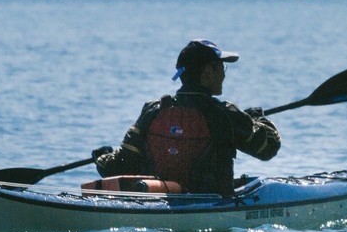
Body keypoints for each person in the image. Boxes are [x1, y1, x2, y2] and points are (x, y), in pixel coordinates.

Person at [94, 39, 282, 194]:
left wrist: (102, 158)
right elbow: (268, 148)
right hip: (211, 209)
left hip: (157, 206)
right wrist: (258, 119)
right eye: (221, 68)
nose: (224, 75)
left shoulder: (153, 111)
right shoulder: (225, 114)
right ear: (208, 72)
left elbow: (121, 167)